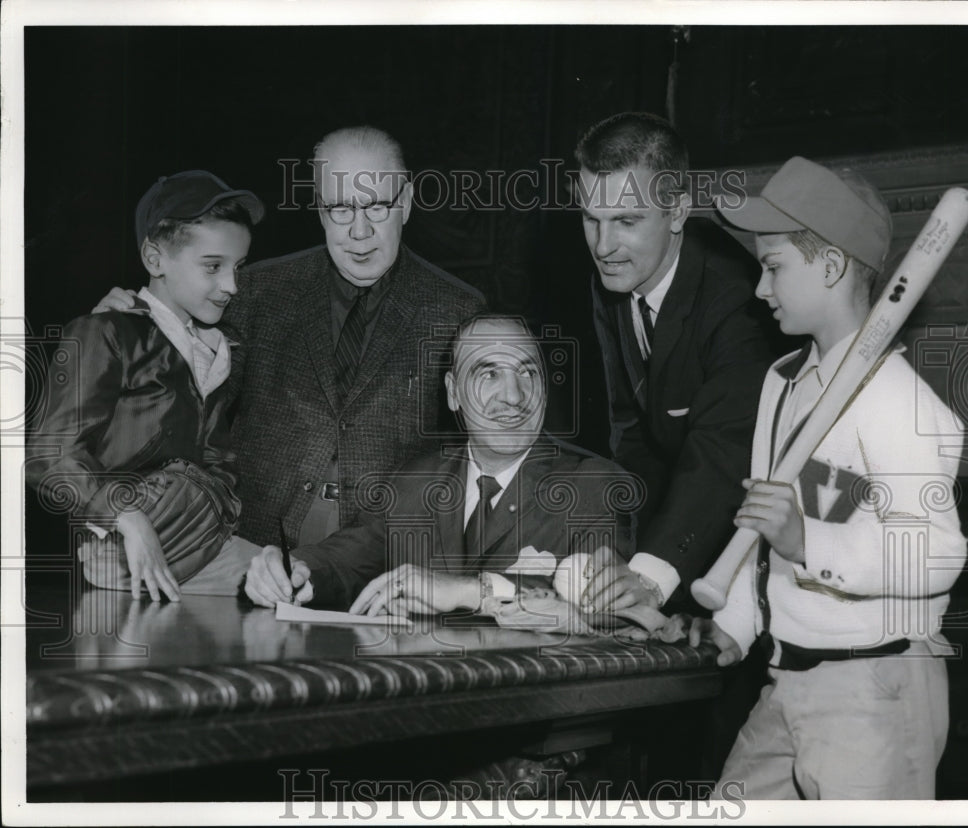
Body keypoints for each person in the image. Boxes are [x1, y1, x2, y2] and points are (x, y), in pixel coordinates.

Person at [690, 156, 968, 799]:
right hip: (786, 677)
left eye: (774, 265)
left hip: (876, 687)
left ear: (832, 265)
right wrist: (732, 628)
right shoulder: (782, 380)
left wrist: (809, 544)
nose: (760, 288)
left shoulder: (895, 397)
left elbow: (935, 552)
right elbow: (762, 530)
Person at [95, 126, 486, 549]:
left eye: (376, 208)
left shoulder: (458, 311)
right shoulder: (256, 290)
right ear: (319, 210)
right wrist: (131, 345)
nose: (359, 232)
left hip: (390, 557)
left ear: (406, 203)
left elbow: (481, 456)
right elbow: (182, 406)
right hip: (253, 549)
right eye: (339, 209)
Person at [243, 315, 642, 616]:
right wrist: (296, 570)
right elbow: (350, 556)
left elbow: (603, 609)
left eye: (527, 373)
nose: (514, 396)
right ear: (453, 394)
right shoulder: (415, 482)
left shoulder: (594, 485)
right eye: (489, 374)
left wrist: (471, 592)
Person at [26, 170, 266, 600]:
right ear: (155, 260)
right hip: (123, 559)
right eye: (212, 266)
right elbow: (47, 455)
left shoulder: (219, 347)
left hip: (200, 545)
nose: (231, 286)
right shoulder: (104, 333)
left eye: (238, 267)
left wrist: (217, 503)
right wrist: (126, 516)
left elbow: (215, 458)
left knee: (293, 581)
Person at [574, 112, 774, 615]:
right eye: (591, 219)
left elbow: (725, 448)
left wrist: (651, 572)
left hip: (751, 554)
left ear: (678, 211)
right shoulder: (618, 273)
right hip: (678, 524)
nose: (603, 247)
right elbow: (633, 431)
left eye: (626, 221)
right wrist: (618, 548)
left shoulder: (736, 296)